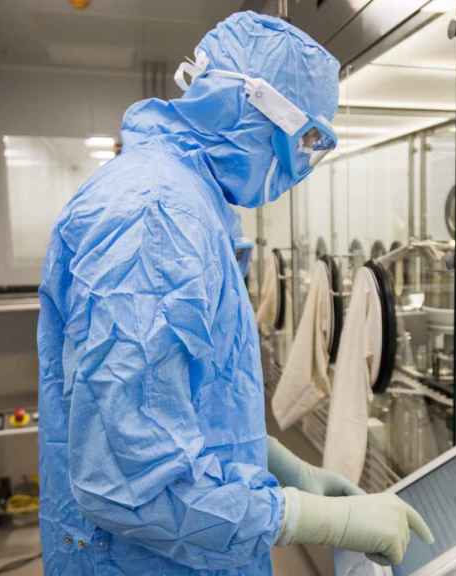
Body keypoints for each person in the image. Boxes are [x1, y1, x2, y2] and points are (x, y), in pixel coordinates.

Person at [36, 11, 432, 576]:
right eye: (306, 140)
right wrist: (320, 520)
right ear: (250, 107)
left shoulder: (190, 202)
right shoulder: (152, 216)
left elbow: (182, 404)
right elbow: (130, 483)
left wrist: (285, 466)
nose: (302, 166)